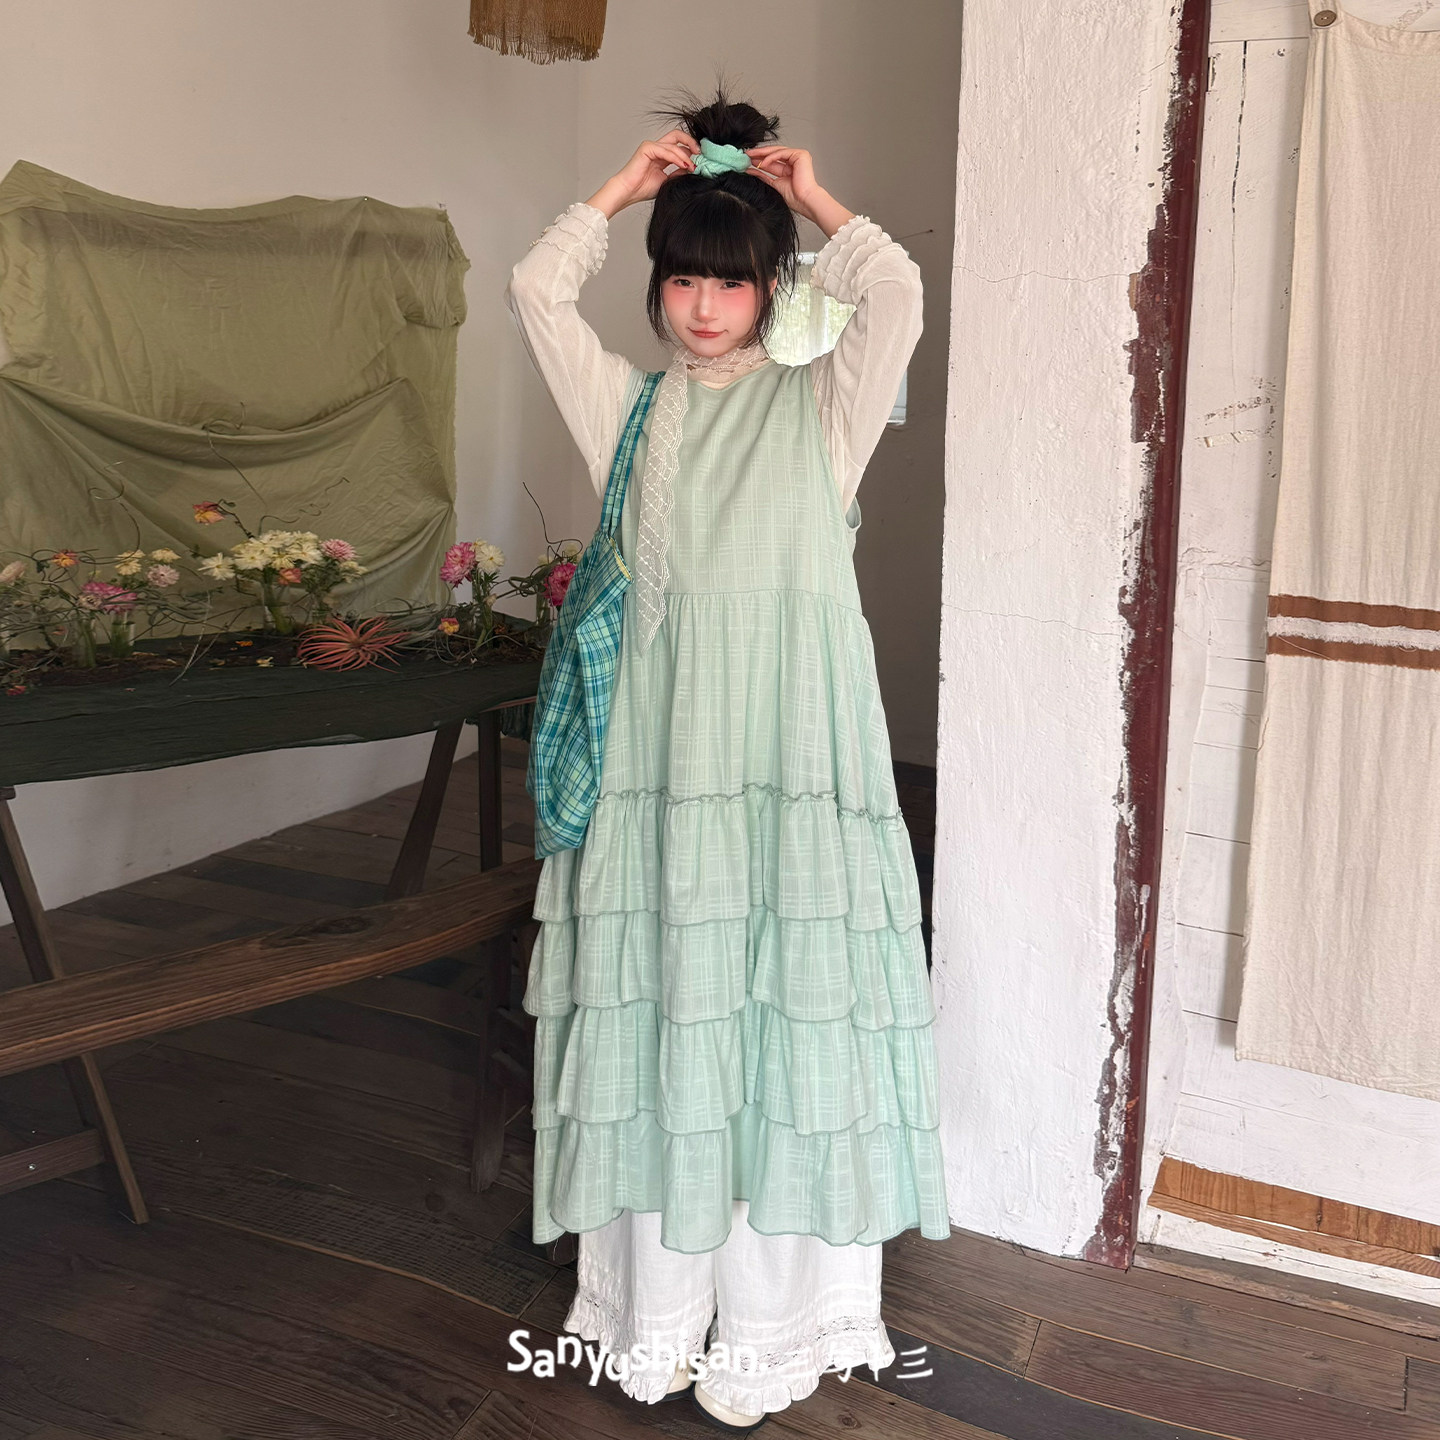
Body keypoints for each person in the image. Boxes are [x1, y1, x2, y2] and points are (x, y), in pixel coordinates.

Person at [505, 86, 950, 1432]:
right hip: (663, 753)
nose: (705, 307)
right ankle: (657, 1312)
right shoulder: (630, 412)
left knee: (782, 1003)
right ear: (658, 285)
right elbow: (535, 292)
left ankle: (774, 1320)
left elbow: (898, 291)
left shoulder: (825, 408)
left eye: (733, 281)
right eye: (684, 279)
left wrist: (807, 197)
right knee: (675, 998)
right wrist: (619, 190)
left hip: (795, 749)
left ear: (771, 287)